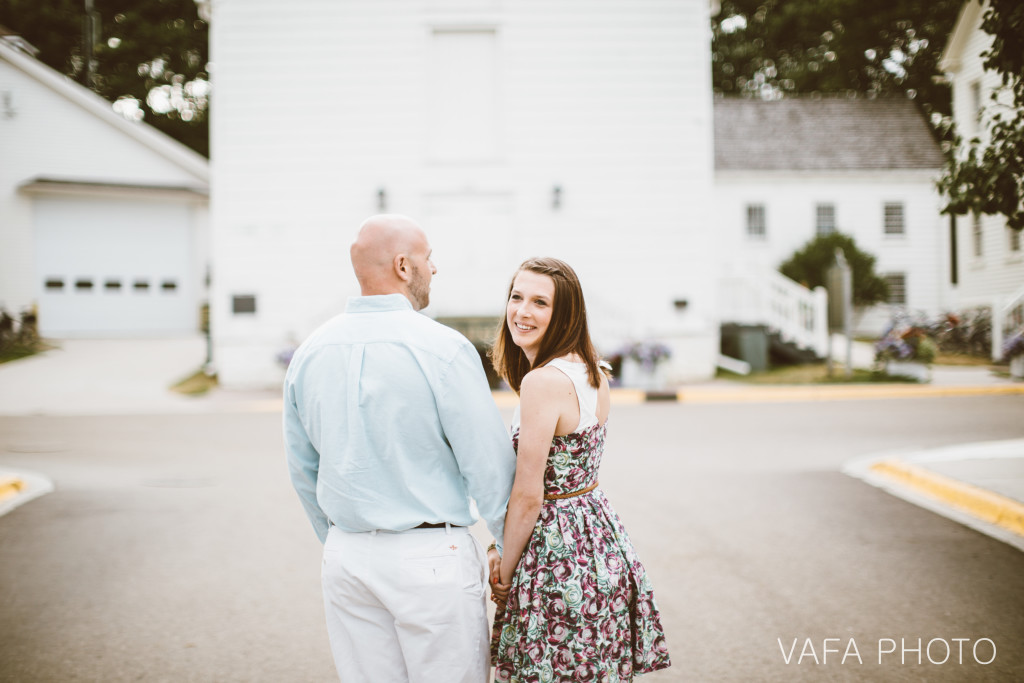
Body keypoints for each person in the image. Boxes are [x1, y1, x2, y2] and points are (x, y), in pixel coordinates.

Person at [283, 214, 517, 682]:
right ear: (404, 266)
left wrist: (340, 542)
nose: (436, 268)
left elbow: (302, 469)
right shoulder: (443, 349)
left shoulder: (310, 352)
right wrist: (509, 554)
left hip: (347, 558)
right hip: (430, 559)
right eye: (429, 258)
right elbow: (488, 469)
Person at [487, 257, 671, 681]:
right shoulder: (592, 369)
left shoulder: (543, 383)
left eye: (540, 303)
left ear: (565, 314)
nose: (522, 312)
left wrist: (506, 575)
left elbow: (530, 496)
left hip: (556, 556)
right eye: (516, 297)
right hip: (600, 543)